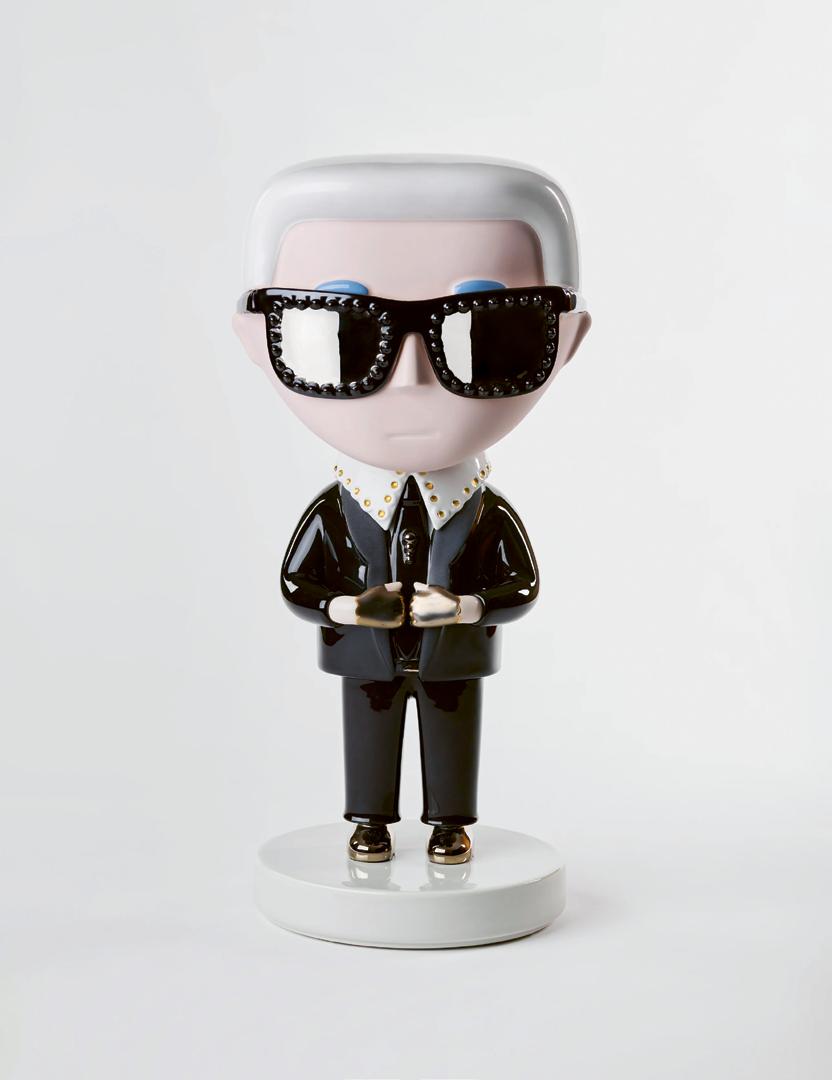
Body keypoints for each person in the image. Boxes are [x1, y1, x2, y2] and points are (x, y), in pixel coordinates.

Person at [233, 157, 591, 863]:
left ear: (566, 341)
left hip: (453, 656)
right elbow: (297, 582)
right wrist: (344, 607)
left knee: (454, 733)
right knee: (366, 732)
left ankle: (449, 823)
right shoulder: (337, 511)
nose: (409, 377)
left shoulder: (483, 511)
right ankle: (369, 820)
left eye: (484, 334)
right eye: (341, 333)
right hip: (365, 654)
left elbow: (520, 585)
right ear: (258, 342)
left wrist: (462, 608)